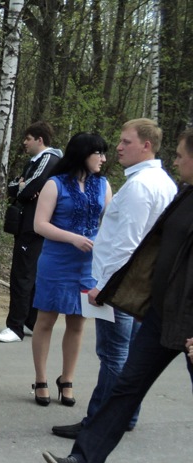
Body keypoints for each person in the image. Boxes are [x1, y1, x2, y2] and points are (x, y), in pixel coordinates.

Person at [42, 128, 193, 463]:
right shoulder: (185, 192)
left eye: (180, 154)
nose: (174, 160)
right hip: (163, 311)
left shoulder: (146, 186)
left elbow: (126, 241)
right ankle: (84, 462)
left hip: (189, 320)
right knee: (127, 383)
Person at [51, 119, 176, 438]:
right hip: (138, 285)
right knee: (129, 354)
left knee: (114, 355)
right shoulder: (163, 181)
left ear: (146, 145)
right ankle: (125, 416)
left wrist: (104, 287)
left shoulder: (140, 186)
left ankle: (101, 422)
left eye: (126, 142)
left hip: (122, 287)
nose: (118, 148)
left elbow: (128, 244)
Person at [29, 132, 111, 406]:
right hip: (57, 260)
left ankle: (67, 379)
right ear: (82, 154)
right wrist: (72, 237)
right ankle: (40, 379)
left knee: (78, 323)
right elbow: (39, 225)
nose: (103, 159)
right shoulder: (55, 184)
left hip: (89, 265)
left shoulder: (103, 185)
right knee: (46, 320)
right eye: (98, 153)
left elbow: (109, 225)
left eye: (104, 153)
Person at [0, 122, 63, 343]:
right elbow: (13, 187)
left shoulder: (49, 160)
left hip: (34, 227)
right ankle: (29, 320)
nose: (24, 142)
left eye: (28, 138)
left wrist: (24, 187)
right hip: (29, 225)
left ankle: (15, 327)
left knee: (22, 275)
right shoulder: (35, 162)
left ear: (39, 140)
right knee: (30, 275)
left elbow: (29, 187)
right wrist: (21, 187)